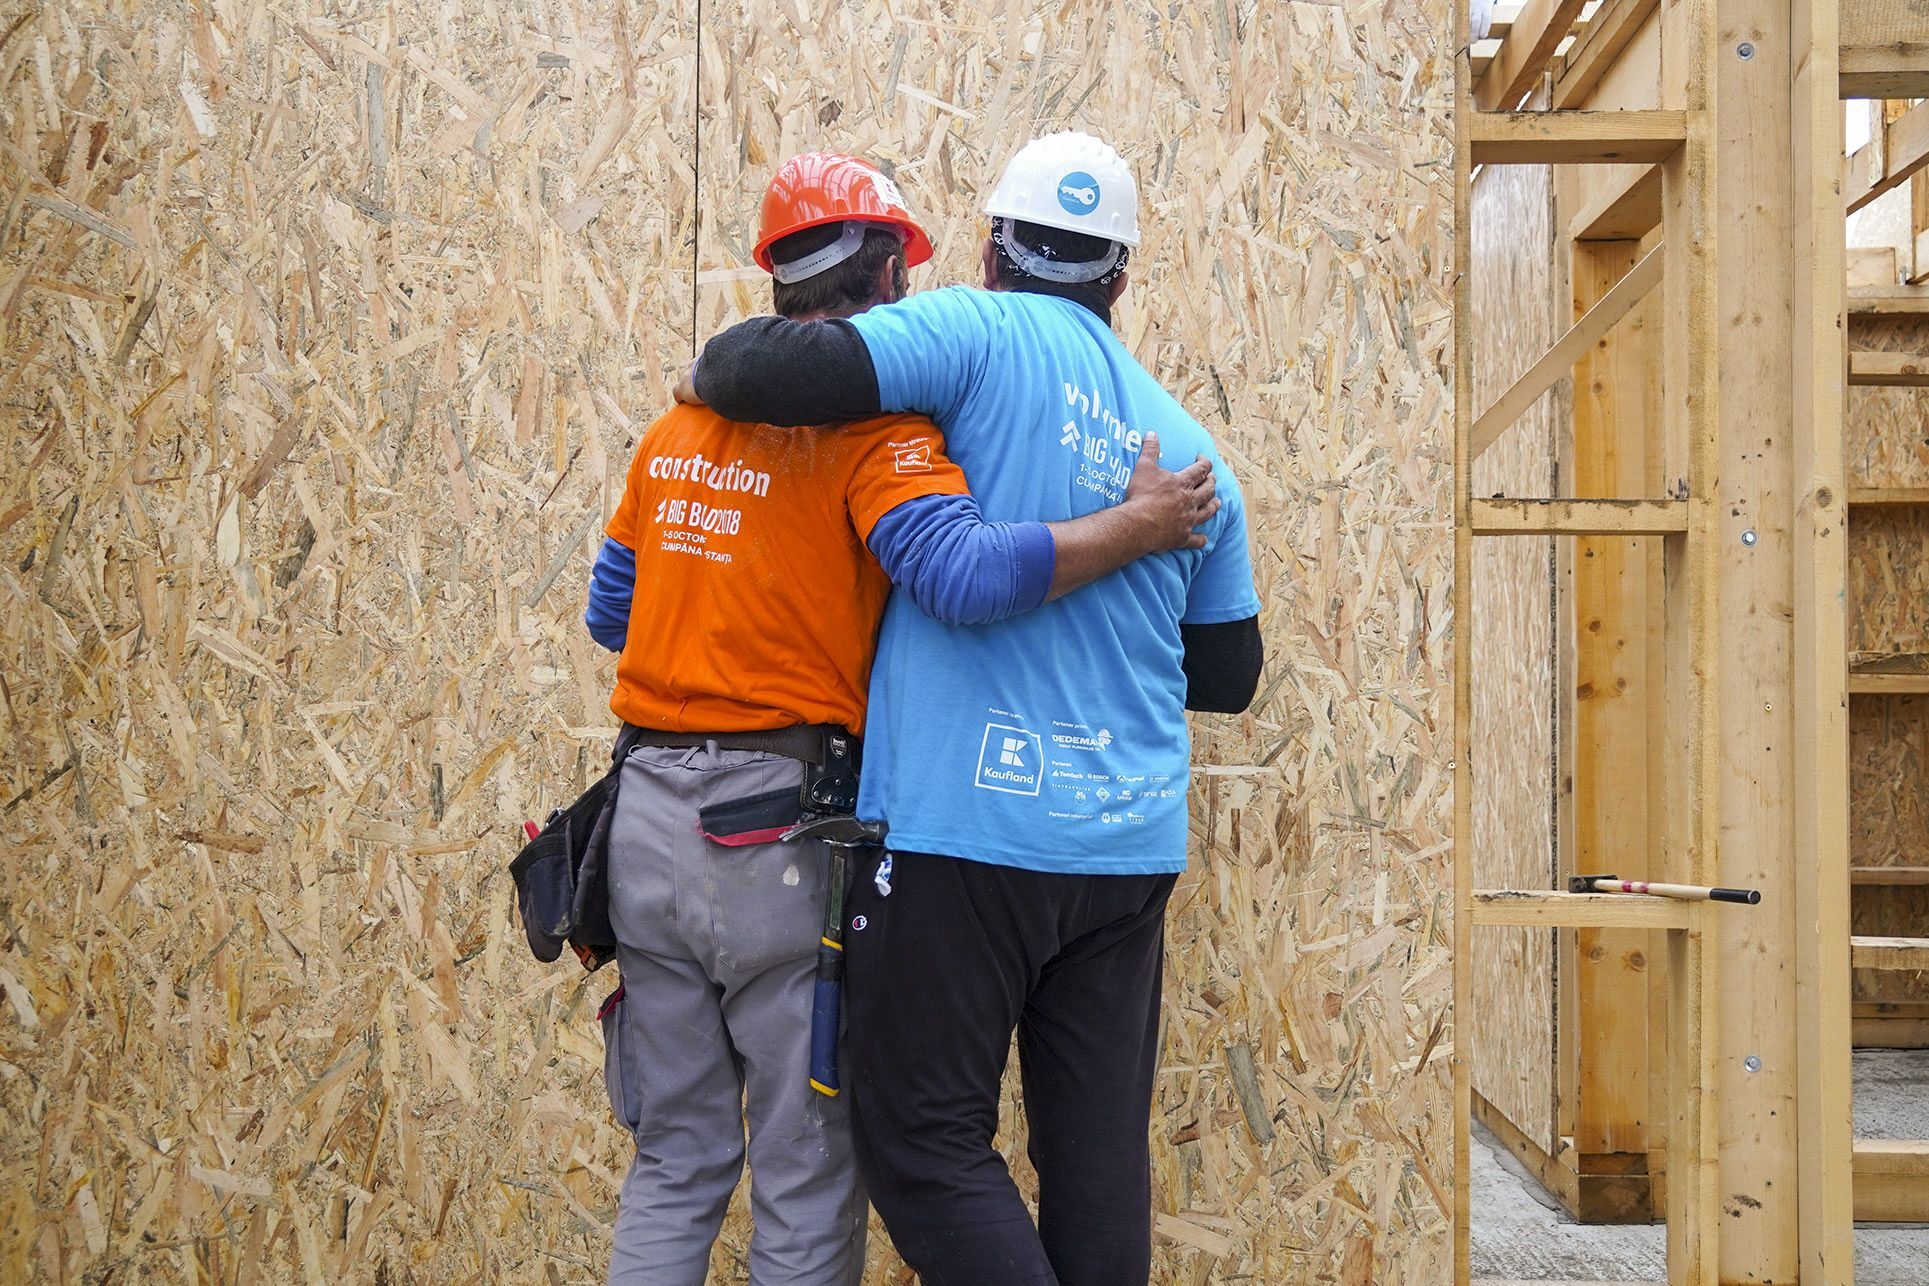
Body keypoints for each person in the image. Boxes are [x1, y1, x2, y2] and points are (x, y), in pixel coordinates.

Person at [584, 151, 1219, 1286]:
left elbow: (611, 612)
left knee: (677, 1157)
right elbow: (965, 577)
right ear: (887, 274)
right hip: (772, 833)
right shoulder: (882, 442)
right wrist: (1129, 528)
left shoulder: (669, 436)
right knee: (804, 1162)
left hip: (644, 828)